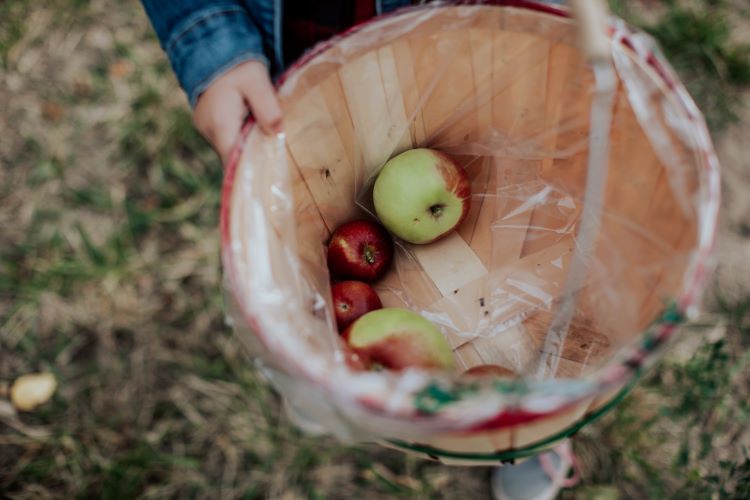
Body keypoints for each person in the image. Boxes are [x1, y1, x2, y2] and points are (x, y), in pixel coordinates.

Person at [139, 1, 578, 499]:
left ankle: (530, 427)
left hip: (467, 41)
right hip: (298, 59)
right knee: (304, 318)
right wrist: (210, 43)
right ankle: (315, 371)